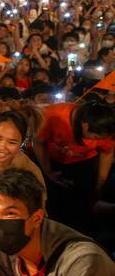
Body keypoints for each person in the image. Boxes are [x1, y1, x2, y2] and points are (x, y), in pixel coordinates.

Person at [33, 100, 115, 233]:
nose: (96, 142)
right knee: (54, 203)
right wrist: (47, 171)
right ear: (85, 126)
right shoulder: (52, 115)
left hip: (84, 162)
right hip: (53, 160)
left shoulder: (106, 126)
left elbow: (107, 152)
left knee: (81, 206)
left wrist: (99, 184)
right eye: (94, 138)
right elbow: (38, 142)